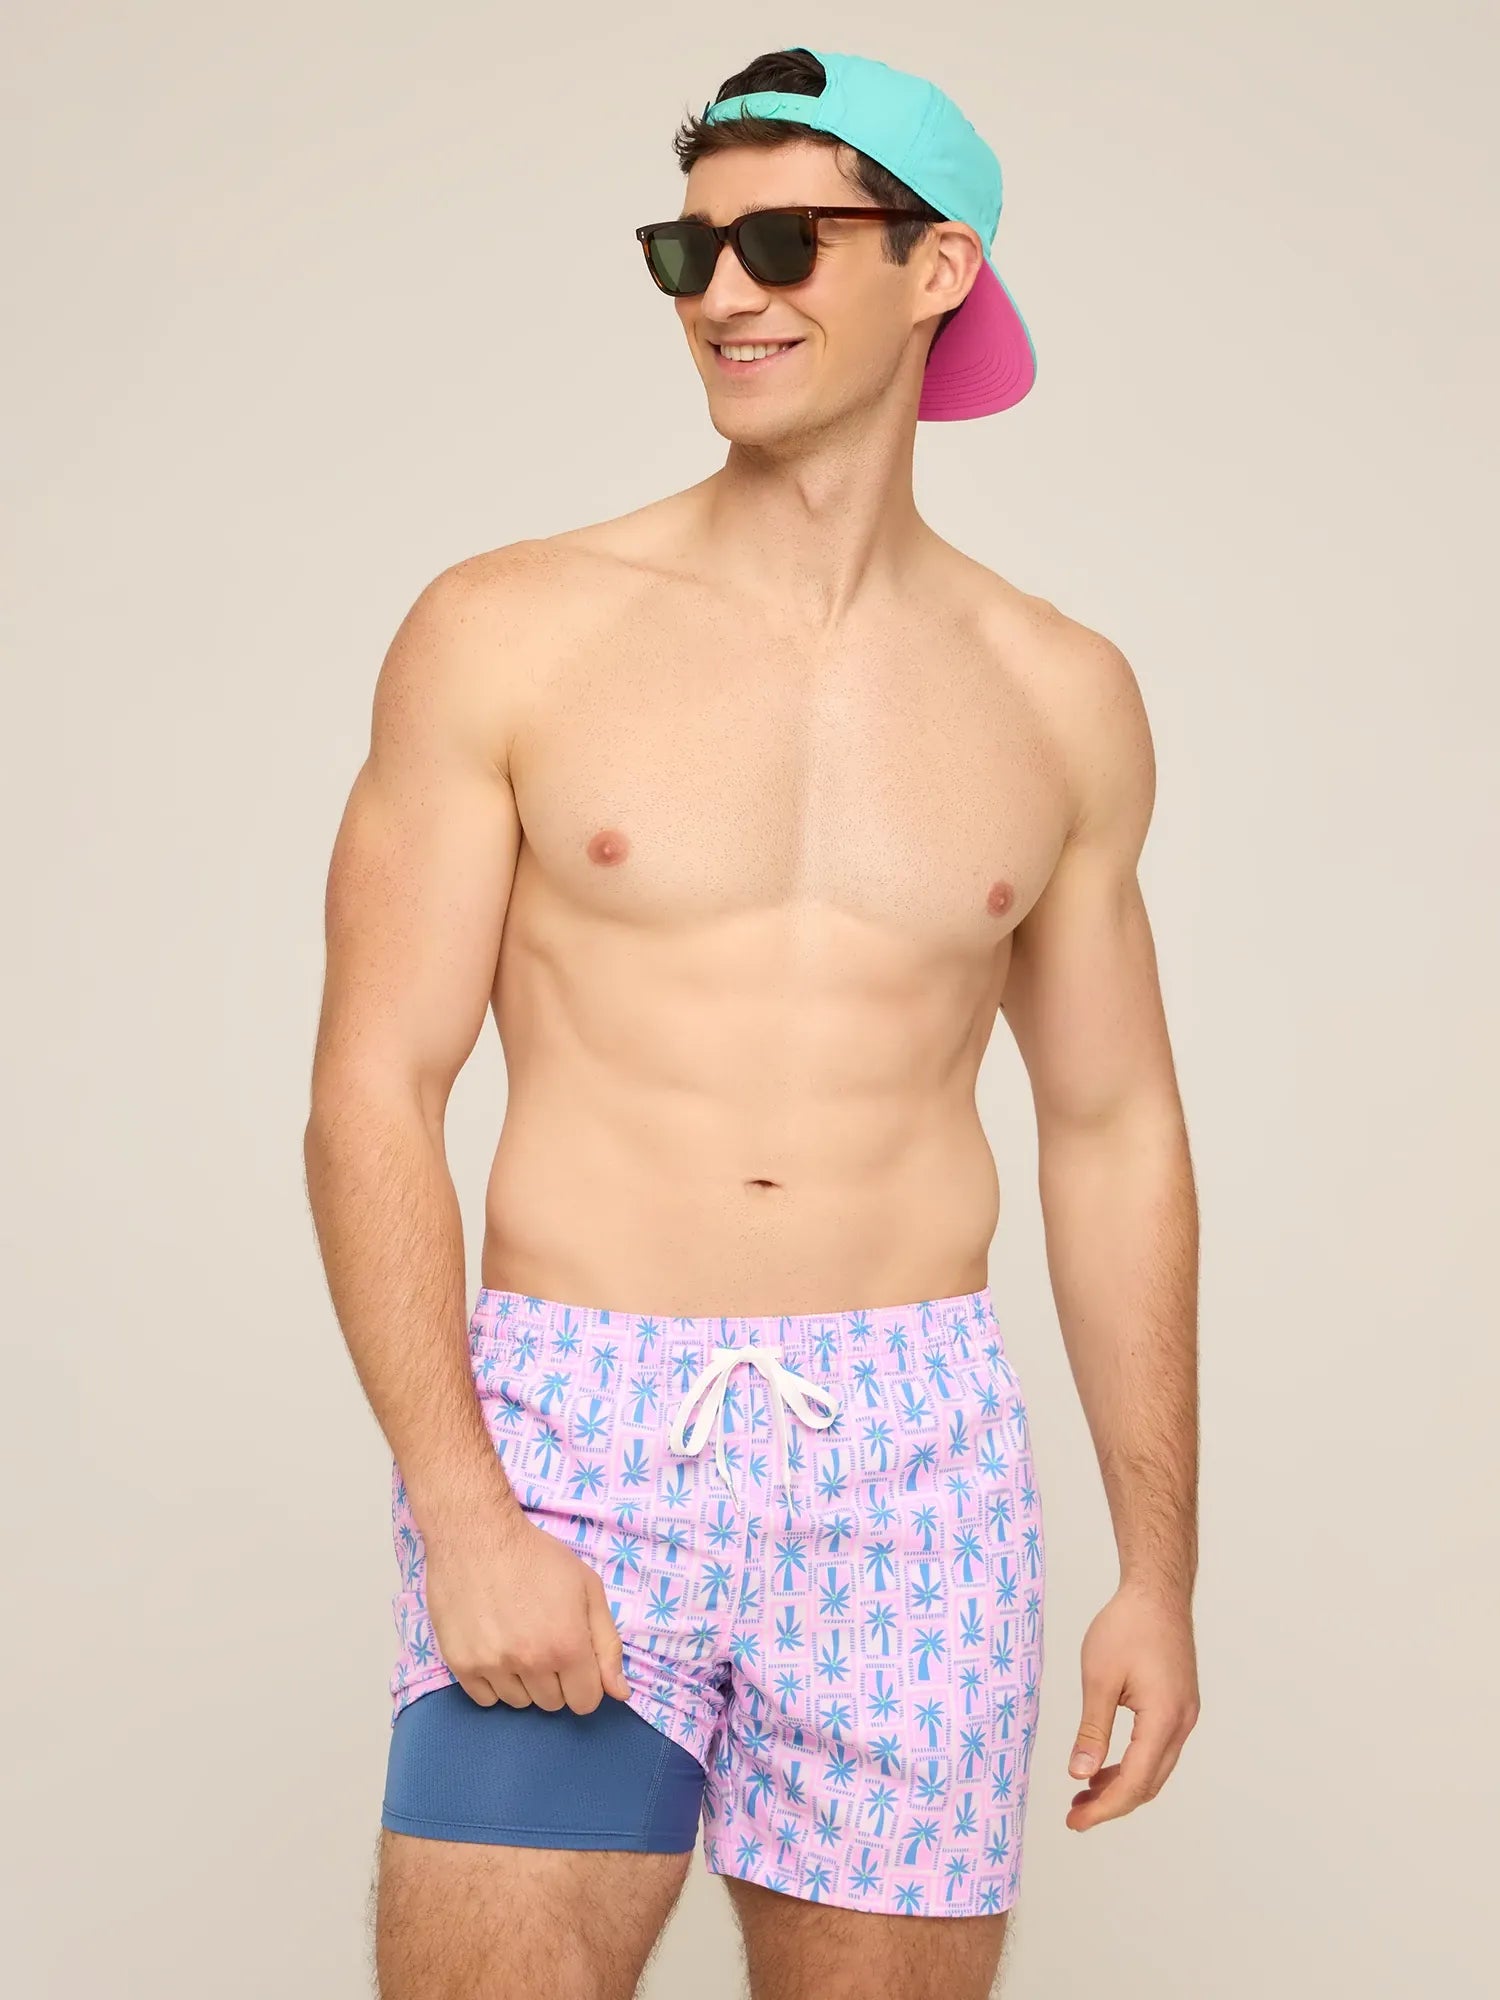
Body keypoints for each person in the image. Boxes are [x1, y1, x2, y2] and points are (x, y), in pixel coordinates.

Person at [303, 42, 1201, 2000]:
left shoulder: (1060, 695)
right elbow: (373, 1084)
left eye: (784, 243)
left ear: (939, 269)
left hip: (917, 1458)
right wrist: (464, 1511)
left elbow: (1114, 1128)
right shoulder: (509, 629)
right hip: (573, 1429)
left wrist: (1159, 1570)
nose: (723, 293)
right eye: (687, 249)